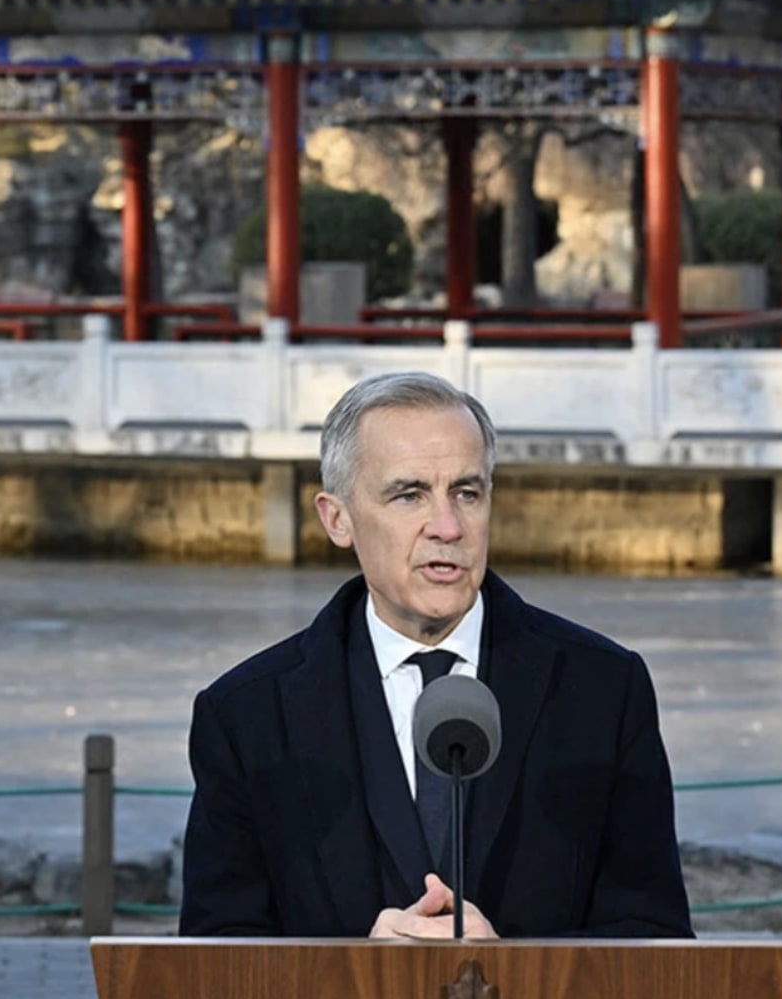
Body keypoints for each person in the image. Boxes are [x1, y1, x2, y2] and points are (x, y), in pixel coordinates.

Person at [179, 371, 692, 939]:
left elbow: (655, 943)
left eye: (467, 493)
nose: (447, 527)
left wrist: (513, 974)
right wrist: (357, 977)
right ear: (337, 518)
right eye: (410, 494)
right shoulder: (247, 716)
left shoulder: (602, 690)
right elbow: (216, 962)